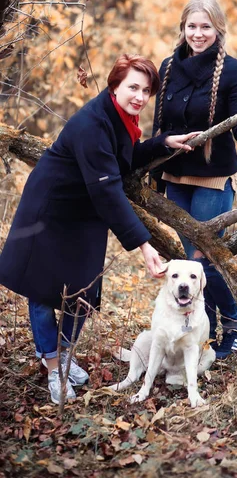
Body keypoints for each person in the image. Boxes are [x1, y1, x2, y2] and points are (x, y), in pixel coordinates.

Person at [0, 54, 198, 404]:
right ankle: (52, 367)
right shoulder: (93, 123)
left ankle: (62, 356)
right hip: (51, 209)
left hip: (84, 212)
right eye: (132, 87)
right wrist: (144, 245)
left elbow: (122, 159)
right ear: (115, 86)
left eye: (146, 90)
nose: (139, 96)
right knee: (44, 292)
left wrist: (161, 142)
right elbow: (108, 189)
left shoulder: (122, 117)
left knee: (82, 293)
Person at [152, 0, 237, 360]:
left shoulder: (234, 72)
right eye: (192, 26)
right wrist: (154, 175)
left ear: (218, 30)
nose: (198, 34)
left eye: (205, 27)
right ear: (183, 28)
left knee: (204, 260)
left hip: (213, 180)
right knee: (191, 266)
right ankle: (203, 332)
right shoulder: (167, 68)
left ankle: (235, 330)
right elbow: (159, 125)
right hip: (175, 177)